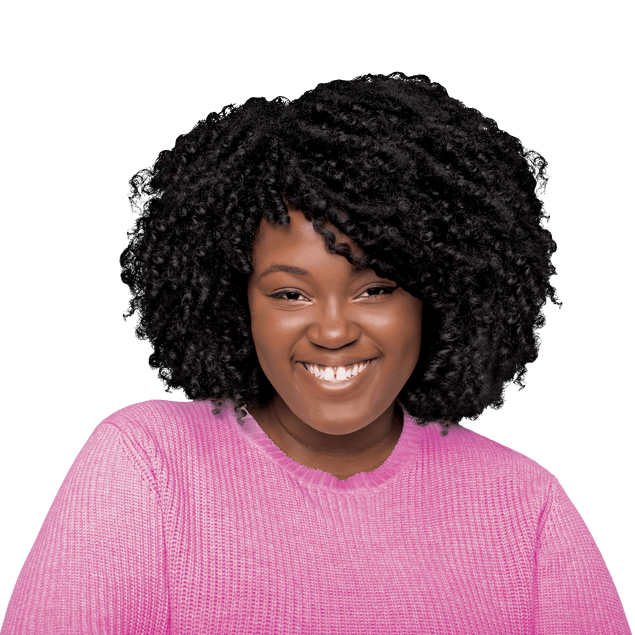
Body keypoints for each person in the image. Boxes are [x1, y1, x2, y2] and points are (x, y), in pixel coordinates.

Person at [1, 70, 630, 634]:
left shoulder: (525, 506)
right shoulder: (146, 469)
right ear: (235, 301)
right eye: (290, 294)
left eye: (375, 289)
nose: (332, 332)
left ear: (438, 296)